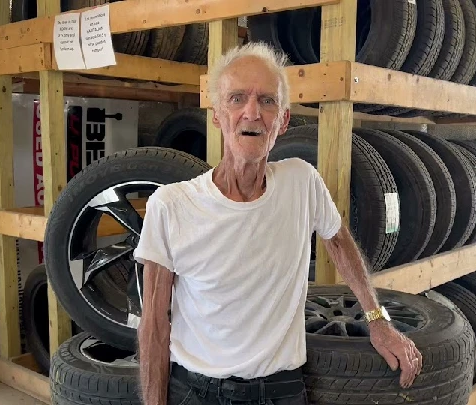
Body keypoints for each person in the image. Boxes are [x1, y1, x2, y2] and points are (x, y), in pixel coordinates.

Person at [134, 42, 423, 405]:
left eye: (267, 101)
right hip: (196, 390)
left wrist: (377, 320)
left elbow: (338, 241)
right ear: (217, 115)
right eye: (237, 98)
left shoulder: (302, 182)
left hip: (280, 389)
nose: (252, 113)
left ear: (283, 120)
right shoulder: (171, 206)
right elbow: (154, 326)